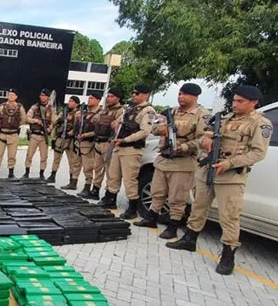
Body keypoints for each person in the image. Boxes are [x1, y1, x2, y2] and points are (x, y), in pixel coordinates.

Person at [167, 85, 272, 275]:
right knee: (199, 206)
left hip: (231, 176)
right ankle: (190, 239)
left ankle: (228, 254)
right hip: (209, 169)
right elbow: (205, 133)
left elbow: (258, 152)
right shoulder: (223, 118)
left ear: (254, 103)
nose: (235, 104)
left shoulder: (260, 123)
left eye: (240, 101)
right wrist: (205, 140)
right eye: (234, 100)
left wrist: (230, 163)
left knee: (229, 216)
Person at [134, 83, 209, 238]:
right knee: (157, 191)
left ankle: (173, 226)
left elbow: (203, 139)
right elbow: (154, 127)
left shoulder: (202, 115)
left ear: (195, 97)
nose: (181, 97)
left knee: (177, 197)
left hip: (183, 162)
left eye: (185, 94)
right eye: (180, 94)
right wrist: (160, 130)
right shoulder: (171, 112)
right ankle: (151, 218)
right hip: (164, 158)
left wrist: (185, 146)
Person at [99, 83, 154, 219]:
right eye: (133, 93)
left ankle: (132, 208)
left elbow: (145, 131)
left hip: (131, 148)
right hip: (119, 146)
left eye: (137, 93)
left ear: (145, 95)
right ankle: (110, 199)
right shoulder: (130, 109)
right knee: (113, 175)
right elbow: (117, 123)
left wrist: (126, 140)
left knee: (130, 179)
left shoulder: (148, 111)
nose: (133, 95)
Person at [93, 87, 125, 201]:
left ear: (118, 98)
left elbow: (117, 126)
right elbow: (95, 120)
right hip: (99, 141)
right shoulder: (104, 109)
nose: (109, 98)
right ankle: (95, 189)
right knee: (97, 169)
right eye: (108, 96)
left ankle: (109, 193)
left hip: (109, 142)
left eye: (112, 96)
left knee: (110, 171)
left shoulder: (120, 110)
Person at [49, 95, 82, 189]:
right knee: (56, 158)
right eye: (69, 101)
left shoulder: (77, 113)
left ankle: (72, 181)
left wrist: (70, 133)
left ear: (76, 104)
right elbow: (54, 121)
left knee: (72, 161)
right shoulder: (64, 111)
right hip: (61, 138)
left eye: (72, 101)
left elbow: (77, 126)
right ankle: (52, 176)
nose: (69, 103)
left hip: (71, 139)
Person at [0, 88, 26, 179]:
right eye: (9, 94)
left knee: (12, 155)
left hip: (13, 134)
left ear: (16, 97)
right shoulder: (2, 106)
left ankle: (11, 172)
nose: (11, 96)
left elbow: (23, 119)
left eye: (13, 95)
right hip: (2, 133)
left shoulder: (19, 107)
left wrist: (15, 125)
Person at [24, 88, 56, 179]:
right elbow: (27, 118)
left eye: (44, 96)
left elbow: (54, 122)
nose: (42, 97)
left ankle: (41, 174)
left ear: (48, 97)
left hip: (44, 136)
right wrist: (36, 121)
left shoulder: (51, 109)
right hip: (34, 134)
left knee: (44, 157)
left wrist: (49, 129)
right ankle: (26, 172)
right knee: (29, 155)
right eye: (41, 95)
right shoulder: (35, 107)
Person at [77, 91, 103, 198]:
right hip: (84, 143)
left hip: (93, 142)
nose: (89, 100)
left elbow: (99, 130)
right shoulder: (85, 113)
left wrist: (86, 135)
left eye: (91, 98)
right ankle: (87, 186)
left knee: (95, 167)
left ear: (98, 100)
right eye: (89, 98)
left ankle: (94, 189)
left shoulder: (100, 113)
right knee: (86, 167)